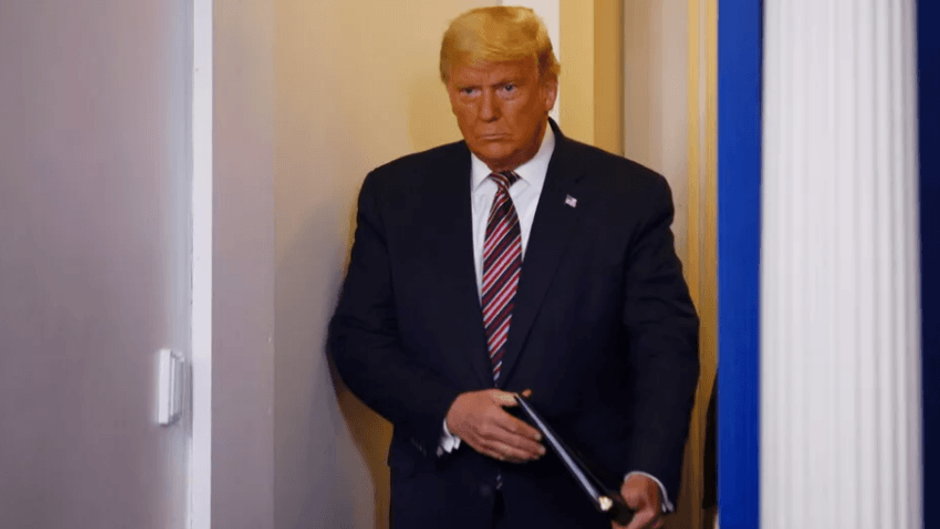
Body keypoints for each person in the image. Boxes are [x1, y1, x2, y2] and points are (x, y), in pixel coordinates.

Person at [329, 6, 699, 529]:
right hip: (438, 502)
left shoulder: (628, 197)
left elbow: (665, 346)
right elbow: (358, 339)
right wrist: (449, 410)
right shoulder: (395, 195)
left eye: (507, 88)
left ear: (547, 89)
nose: (487, 112)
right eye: (468, 91)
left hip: (578, 502)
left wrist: (651, 470)